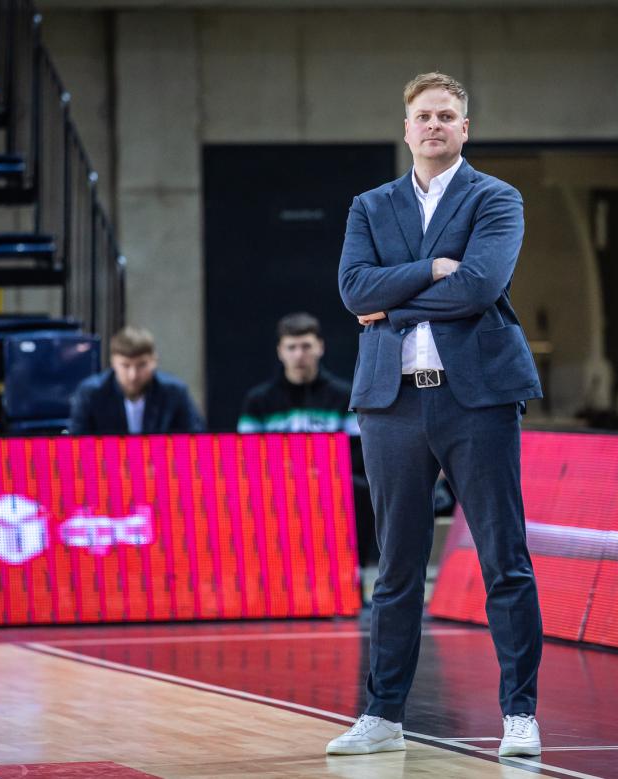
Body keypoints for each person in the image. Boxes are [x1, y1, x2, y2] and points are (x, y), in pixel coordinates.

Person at [329, 72, 543, 759]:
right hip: (391, 402)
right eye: (423, 116)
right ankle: (383, 713)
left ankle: (520, 714)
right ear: (406, 128)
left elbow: (479, 287)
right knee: (395, 565)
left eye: (446, 116)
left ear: (464, 128)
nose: (434, 125)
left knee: (504, 557)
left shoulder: (496, 198)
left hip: (476, 398)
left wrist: (389, 306)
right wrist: (431, 270)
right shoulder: (370, 205)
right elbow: (352, 289)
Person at [238, 312, 377, 569]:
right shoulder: (258, 400)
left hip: (331, 482)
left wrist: (320, 472)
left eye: (306, 346)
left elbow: (359, 452)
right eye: (291, 347)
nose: (299, 354)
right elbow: (247, 454)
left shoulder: (344, 395)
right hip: (274, 483)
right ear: (280, 351)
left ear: (320, 347)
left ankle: (353, 570)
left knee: (361, 487)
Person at [69, 325, 205, 435]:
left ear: (154, 361)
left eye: (142, 365)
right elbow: (77, 446)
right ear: (113, 362)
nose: (133, 375)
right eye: (125, 366)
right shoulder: (91, 393)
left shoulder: (175, 392)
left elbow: (196, 440)